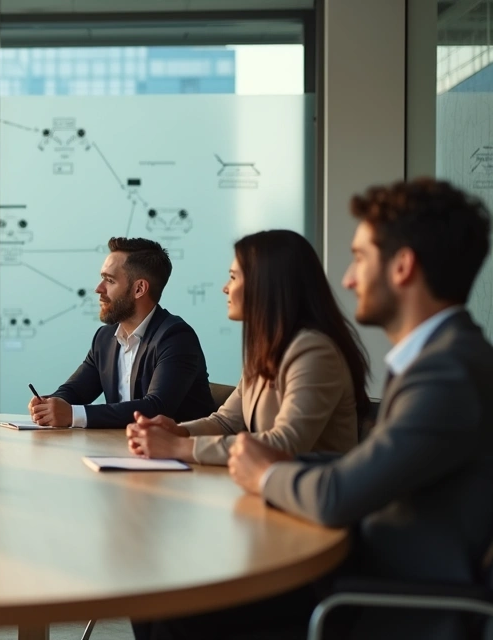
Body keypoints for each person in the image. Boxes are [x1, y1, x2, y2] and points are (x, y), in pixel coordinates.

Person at [141, 178, 493, 640]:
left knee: (171, 609)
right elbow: (357, 468)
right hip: (357, 567)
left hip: (379, 595)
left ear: (403, 267)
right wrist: (234, 451)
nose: (348, 279)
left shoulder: (447, 373)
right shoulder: (439, 360)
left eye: (360, 258)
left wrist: (265, 471)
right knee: (163, 593)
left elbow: (336, 496)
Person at [127, 230, 368, 465]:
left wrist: (178, 447)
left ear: (265, 284)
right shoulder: (266, 349)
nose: (225, 288)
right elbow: (226, 422)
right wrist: (178, 432)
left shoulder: (315, 351)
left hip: (313, 489)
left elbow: (285, 444)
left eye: (233, 277)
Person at [30, 237, 214, 429]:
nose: (98, 289)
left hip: (179, 447)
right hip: (122, 445)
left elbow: (157, 408)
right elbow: (75, 392)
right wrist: (49, 405)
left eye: (110, 280)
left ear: (139, 289)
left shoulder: (176, 337)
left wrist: (73, 415)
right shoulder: (104, 338)